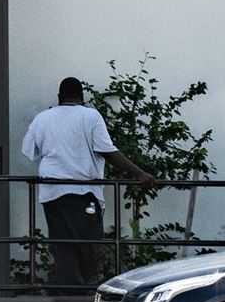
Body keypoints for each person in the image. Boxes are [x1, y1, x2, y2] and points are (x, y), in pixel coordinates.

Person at [19, 76, 151, 288]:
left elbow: (28, 151)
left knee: (62, 245)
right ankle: (81, 288)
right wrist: (139, 173)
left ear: (59, 97)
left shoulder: (42, 118)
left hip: (53, 192)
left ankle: (69, 289)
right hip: (83, 191)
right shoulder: (90, 116)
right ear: (82, 97)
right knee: (89, 244)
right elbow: (107, 151)